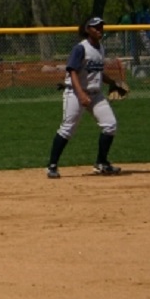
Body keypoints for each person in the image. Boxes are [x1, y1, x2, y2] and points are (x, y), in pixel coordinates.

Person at [46, 17, 121, 179]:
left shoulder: (100, 48)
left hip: (95, 93)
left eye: (101, 26)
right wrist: (81, 94)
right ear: (87, 30)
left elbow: (97, 72)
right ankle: (52, 166)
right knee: (67, 129)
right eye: (95, 27)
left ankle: (102, 163)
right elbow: (72, 71)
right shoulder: (81, 48)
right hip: (75, 92)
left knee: (110, 125)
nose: (100, 29)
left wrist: (113, 83)